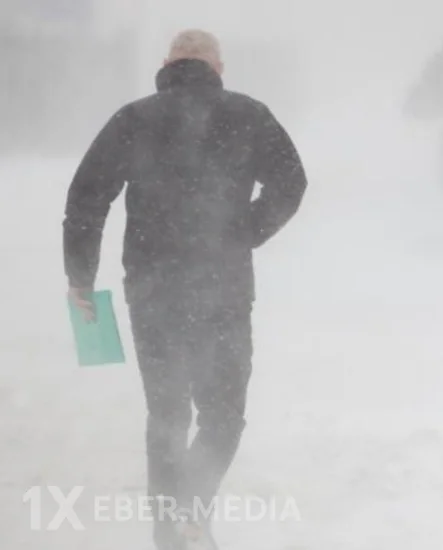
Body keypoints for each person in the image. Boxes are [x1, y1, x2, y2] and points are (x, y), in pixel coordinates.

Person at [62, 29, 307, 549]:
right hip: (224, 289)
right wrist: (245, 230)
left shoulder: (134, 119)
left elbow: (86, 198)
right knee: (224, 416)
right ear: (218, 67)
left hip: (153, 292)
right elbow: (291, 180)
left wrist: (80, 276)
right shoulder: (249, 115)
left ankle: (171, 533)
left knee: (168, 416)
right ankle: (192, 509)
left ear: (168, 64)